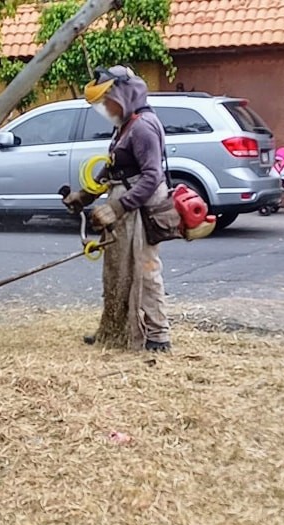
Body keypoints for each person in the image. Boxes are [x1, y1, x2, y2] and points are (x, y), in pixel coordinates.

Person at [62, 66, 171, 352]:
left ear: (124, 95)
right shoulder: (125, 126)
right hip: (124, 211)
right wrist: (84, 196)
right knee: (118, 272)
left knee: (144, 271)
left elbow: (151, 176)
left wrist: (118, 207)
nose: (104, 108)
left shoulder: (144, 126)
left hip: (141, 211)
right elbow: (113, 168)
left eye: (106, 101)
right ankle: (114, 330)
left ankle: (158, 336)